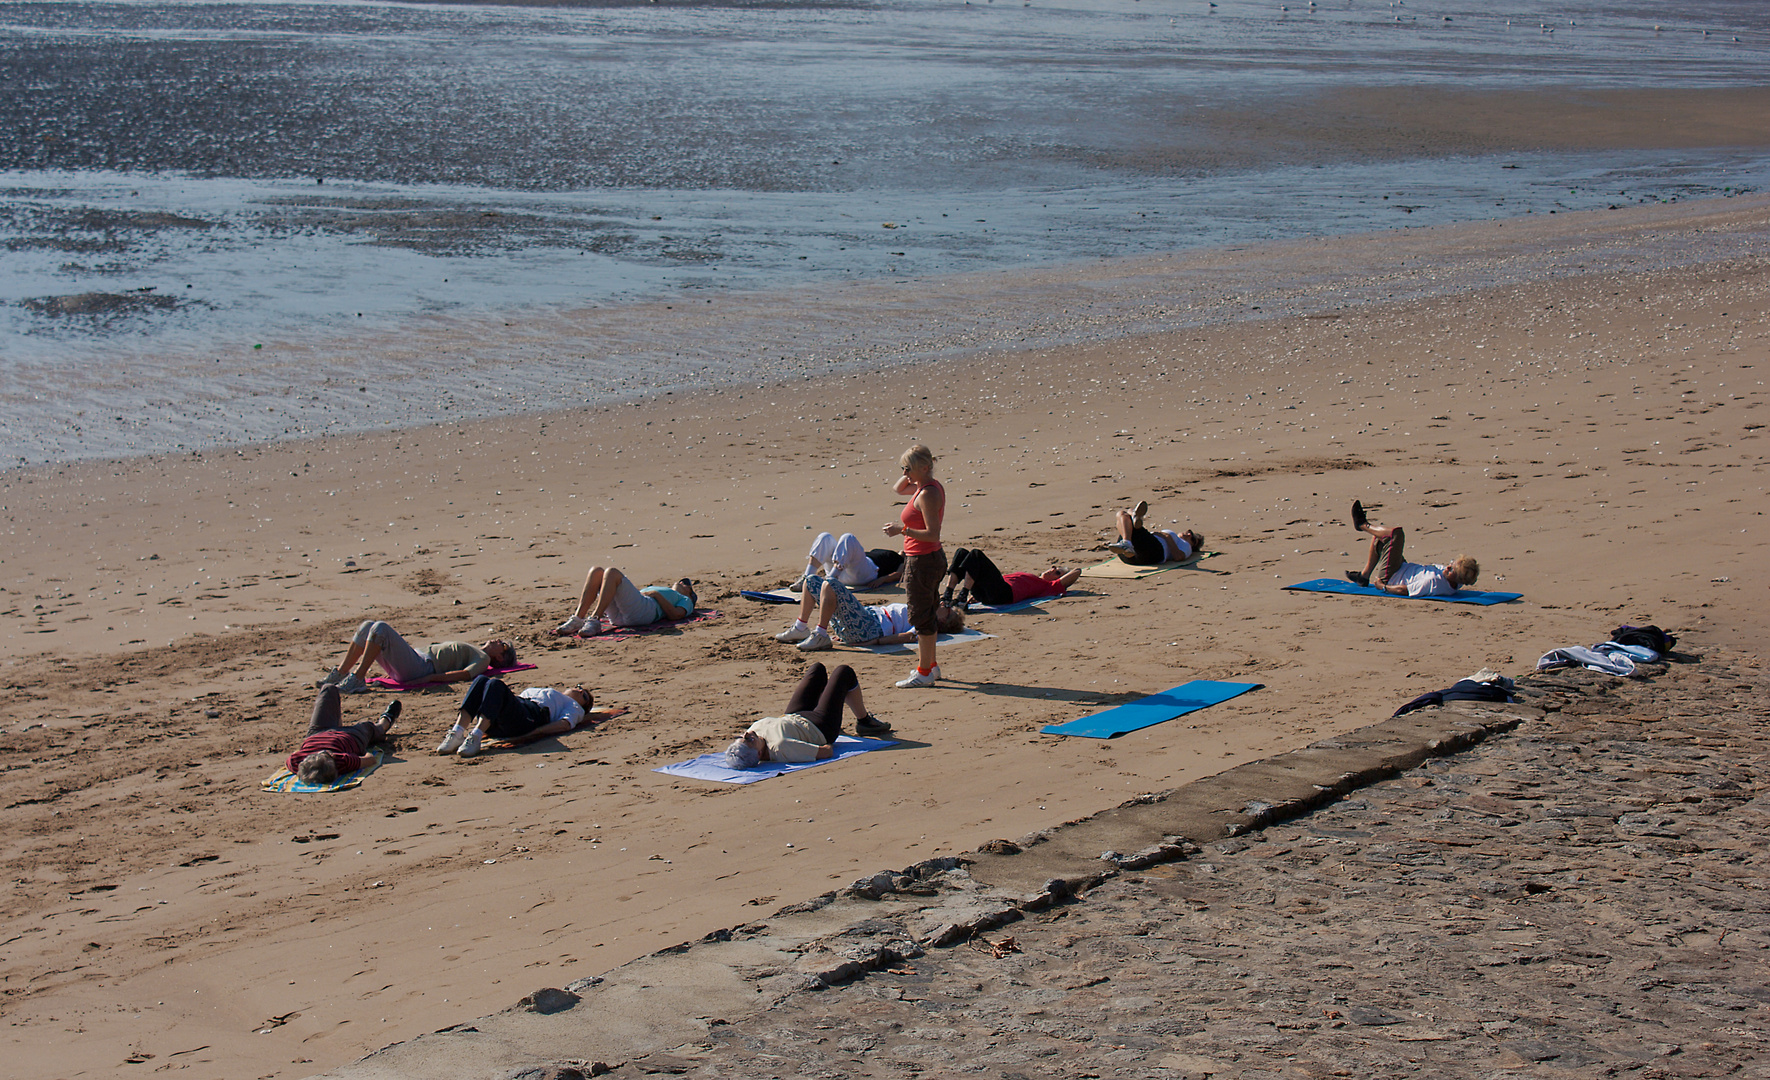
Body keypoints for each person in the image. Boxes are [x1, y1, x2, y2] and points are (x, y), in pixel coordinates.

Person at [723, 662, 889, 769]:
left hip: (793, 716)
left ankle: (831, 700)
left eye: (741, 735)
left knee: (817, 670)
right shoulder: (781, 747)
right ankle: (864, 721)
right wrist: (811, 743)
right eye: (748, 740)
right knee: (843, 672)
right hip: (819, 727)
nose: (747, 734)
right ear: (759, 754)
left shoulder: (755, 734)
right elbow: (826, 752)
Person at [884, 444, 946, 688]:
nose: (905, 473)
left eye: (908, 469)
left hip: (924, 560)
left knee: (921, 615)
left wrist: (903, 530)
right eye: (903, 468)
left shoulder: (929, 493)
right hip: (922, 558)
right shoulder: (922, 487)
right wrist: (910, 470)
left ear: (925, 467)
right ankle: (930, 666)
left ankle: (924, 671)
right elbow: (898, 488)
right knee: (926, 611)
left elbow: (933, 533)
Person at [774, 573, 964, 652]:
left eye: (946, 609)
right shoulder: (924, 611)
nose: (942, 605)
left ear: (944, 621)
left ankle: (820, 634)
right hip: (866, 618)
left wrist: (872, 642)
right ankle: (801, 627)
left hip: (870, 628)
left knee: (830, 583)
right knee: (812, 580)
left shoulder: (927, 624)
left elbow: (905, 637)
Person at [316, 621, 516, 693]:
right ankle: (341, 673)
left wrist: (428, 679)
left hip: (421, 667)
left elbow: (464, 675)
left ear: (500, 657)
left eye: (503, 645)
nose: (498, 640)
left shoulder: (483, 659)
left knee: (380, 628)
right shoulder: (477, 651)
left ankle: (357, 678)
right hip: (415, 660)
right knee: (367, 626)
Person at [435, 675, 597, 758]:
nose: (580, 691)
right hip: (513, 711)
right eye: (580, 688)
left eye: (584, 696)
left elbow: (564, 724)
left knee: (495, 684)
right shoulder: (551, 693)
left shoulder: (573, 706)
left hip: (531, 716)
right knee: (481, 680)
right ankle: (457, 732)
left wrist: (535, 732)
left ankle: (476, 736)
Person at [1345, 500, 1479, 596]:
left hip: (1392, 576)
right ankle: (1363, 576)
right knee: (1381, 537)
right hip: (1402, 567)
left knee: (1395, 534)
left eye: (1451, 570)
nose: (1447, 567)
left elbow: (1404, 590)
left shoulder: (1433, 582)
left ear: (1457, 578)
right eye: (1451, 565)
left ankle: (1362, 525)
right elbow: (1465, 576)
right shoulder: (1455, 581)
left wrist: (1383, 587)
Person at [288, 687, 400, 785]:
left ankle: (337, 721)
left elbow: (293, 755)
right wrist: (361, 751)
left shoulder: (296, 761)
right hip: (350, 736)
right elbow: (370, 759)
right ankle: (386, 720)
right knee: (371, 728)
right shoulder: (341, 761)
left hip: (317, 732)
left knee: (328, 689)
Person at [553, 568, 697, 637]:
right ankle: (578, 619)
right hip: (622, 615)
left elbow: (676, 615)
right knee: (597, 571)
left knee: (612, 572)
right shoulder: (669, 591)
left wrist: (656, 594)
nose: (680, 583)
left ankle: (595, 619)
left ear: (689, 591)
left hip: (646, 611)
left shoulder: (685, 599)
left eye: (685, 584)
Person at [942, 548, 1082, 608]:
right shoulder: (1033, 578)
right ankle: (948, 594)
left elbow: (1076, 572)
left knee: (976, 555)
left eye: (1057, 572)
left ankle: (962, 595)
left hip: (1004, 594)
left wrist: (1062, 578)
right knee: (962, 553)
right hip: (990, 592)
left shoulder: (1047, 587)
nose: (1052, 570)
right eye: (1054, 567)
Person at [791, 531, 904, 589]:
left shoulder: (902, 560)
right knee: (825, 537)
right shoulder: (889, 553)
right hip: (843, 570)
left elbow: (900, 574)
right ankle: (807, 580)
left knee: (848, 537)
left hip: (866, 573)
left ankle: (830, 582)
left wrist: (883, 579)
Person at [1106, 500, 1204, 566]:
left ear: (1193, 545)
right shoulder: (1178, 540)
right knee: (1124, 516)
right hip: (1132, 558)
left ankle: (1128, 538)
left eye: (1193, 539)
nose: (1189, 534)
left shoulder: (1186, 547)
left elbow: (1179, 557)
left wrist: (1167, 537)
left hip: (1154, 552)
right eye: (1188, 532)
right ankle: (1127, 543)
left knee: (1122, 514)